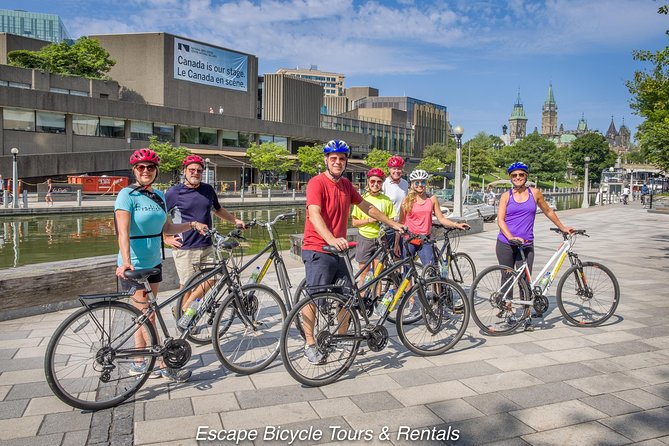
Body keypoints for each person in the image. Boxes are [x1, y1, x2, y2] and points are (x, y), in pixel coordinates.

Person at [301, 140, 404, 364]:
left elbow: (367, 206)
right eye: (333, 158)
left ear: (346, 161)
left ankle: (341, 339)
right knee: (313, 298)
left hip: (339, 251)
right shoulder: (316, 183)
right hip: (318, 247)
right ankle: (309, 344)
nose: (338, 162)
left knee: (347, 297)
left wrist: (392, 223)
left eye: (342, 158)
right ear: (326, 160)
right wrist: (330, 238)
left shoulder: (346, 185)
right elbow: (314, 214)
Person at [115, 148, 208, 382]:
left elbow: (166, 229)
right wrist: (126, 261)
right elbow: (122, 231)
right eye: (141, 167)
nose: (146, 171)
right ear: (135, 170)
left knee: (148, 314)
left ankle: (142, 361)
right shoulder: (126, 195)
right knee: (145, 313)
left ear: (156, 171)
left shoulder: (158, 196)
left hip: (154, 260)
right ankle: (157, 363)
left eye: (150, 167)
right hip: (135, 262)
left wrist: (192, 224)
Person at [164, 154, 245, 317]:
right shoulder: (174, 192)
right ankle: (185, 317)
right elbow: (159, 215)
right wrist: (165, 237)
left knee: (214, 278)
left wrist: (235, 220)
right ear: (184, 171)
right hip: (185, 246)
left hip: (207, 244)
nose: (195, 173)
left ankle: (184, 309)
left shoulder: (207, 189)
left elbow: (218, 209)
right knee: (187, 285)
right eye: (192, 170)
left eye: (199, 170)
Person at [496, 162, 573, 276]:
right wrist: (510, 237)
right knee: (507, 279)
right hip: (506, 243)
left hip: (526, 243)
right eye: (514, 175)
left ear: (526, 176)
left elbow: (548, 211)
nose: (518, 177)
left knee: (526, 281)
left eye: (521, 174)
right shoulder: (506, 196)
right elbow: (500, 220)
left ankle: (526, 294)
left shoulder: (535, 193)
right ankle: (505, 295)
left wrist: (562, 227)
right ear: (511, 178)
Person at [398, 169, 469, 267]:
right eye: (417, 182)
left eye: (423, 182)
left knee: (431, 270)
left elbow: (441, 218)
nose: (420, 185)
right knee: (407, 271)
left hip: (425, 239)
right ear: (412, 184)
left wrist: (456, 224)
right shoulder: (406, 201)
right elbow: (401, 223)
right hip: (409, 239)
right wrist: (397, 242)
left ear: (426, 183)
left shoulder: (432, 199)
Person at [351, 168, 397, 288]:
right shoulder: (362, 199)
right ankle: (361, 301)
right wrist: (369, 220)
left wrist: (384, 221)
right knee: (364, 274)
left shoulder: (386, 200)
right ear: (368, 182)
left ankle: (375, 301)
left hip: (381, 239)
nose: (375, 184)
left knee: (378, 274)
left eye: (379, 182)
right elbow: (354, 223)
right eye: (372, 181)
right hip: (365, 238)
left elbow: (391, 220)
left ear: (382, 183)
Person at [382, 155, 409, 256]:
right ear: (389, 169)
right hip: (388, 226)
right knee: (386, 256)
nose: (396, 171)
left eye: (399, 168)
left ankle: (398, 272)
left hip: (401, 226)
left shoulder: (405, 183)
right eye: (394, 168)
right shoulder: (384, 183)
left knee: (399, 256)